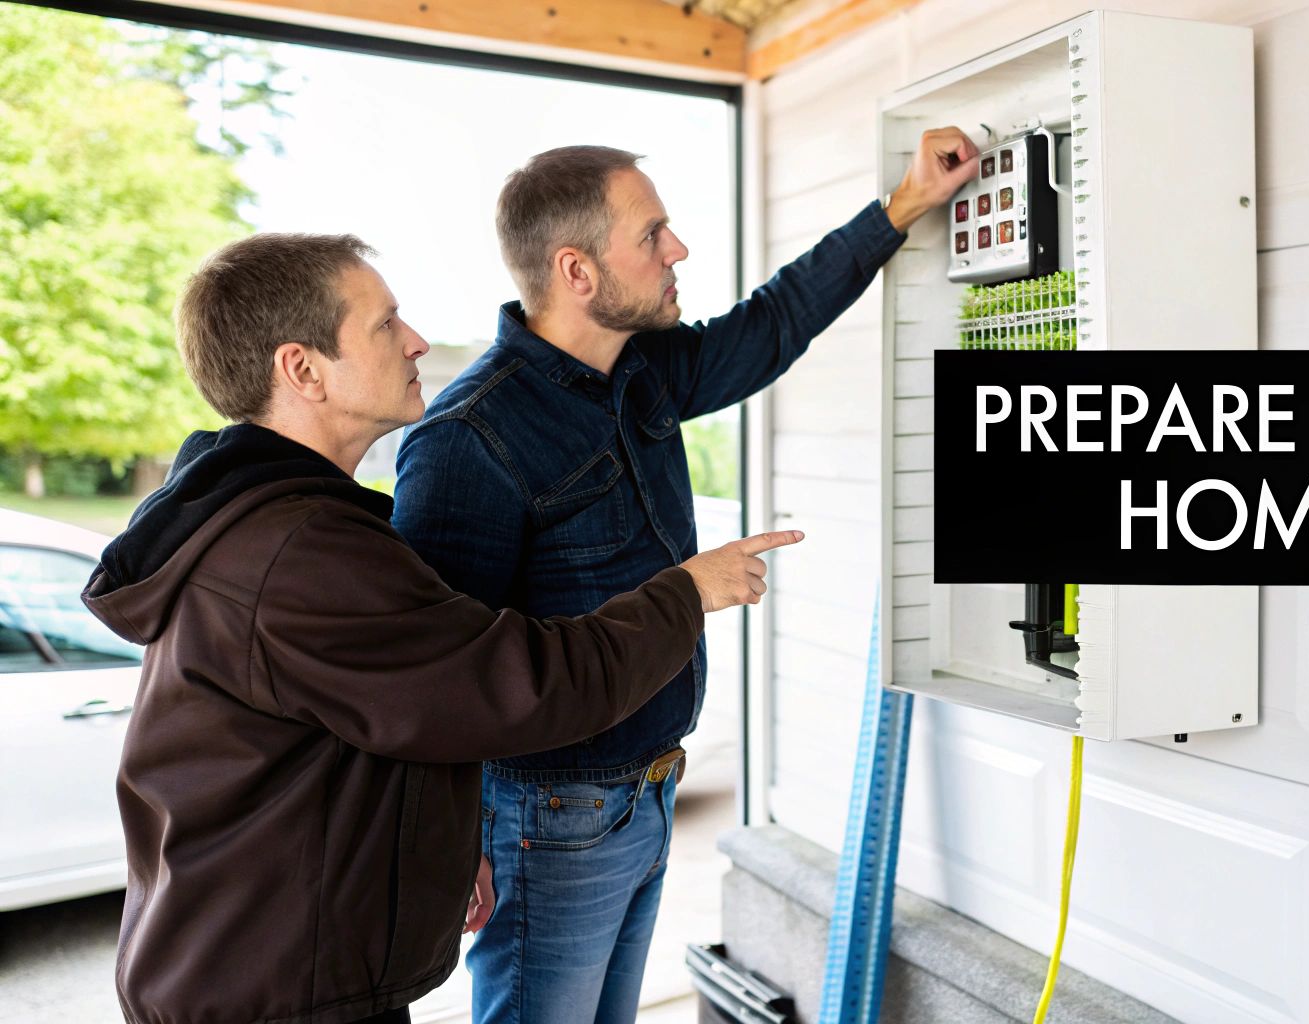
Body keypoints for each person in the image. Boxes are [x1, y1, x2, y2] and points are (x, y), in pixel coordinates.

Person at [80, 232, 801, 1024]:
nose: (417, 340)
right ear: (302, 369)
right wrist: (686, 592)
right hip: (275, 995)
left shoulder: (283, 524)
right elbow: (516, 686)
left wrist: (448, 843)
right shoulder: (299, 554)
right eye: (385, 324)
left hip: (280, 971)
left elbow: (398, 714)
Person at [391, 127, 978, 1022]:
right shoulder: (468, 438)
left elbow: (773, 323)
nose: (679, 250)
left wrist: (900, 207)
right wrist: (453, 840)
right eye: (652, 235)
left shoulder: (642, 371)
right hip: (549, 823)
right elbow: (438, 677)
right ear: (577, 270)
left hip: (646, 796)